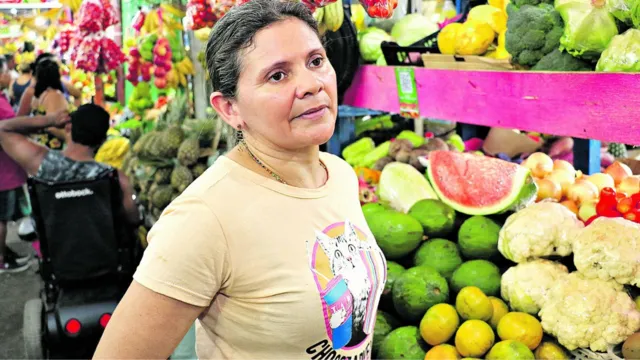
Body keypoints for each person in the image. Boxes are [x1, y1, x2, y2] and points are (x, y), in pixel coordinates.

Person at [94, 1, 387, 359]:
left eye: (315, 61)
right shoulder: (204, 217)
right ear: (229, 109)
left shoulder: (338, 173)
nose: (311, 85)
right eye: (277, 75)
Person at [0, 104, 139, 226]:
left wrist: (50, 120)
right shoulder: (115, 177)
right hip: (105, 252)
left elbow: (3, 129)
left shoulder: (43, 163)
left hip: (58, 253)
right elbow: (133, 219)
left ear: (68, 128)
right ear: (103, 140)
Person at [0, 55, 31, 273]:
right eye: (4, 72)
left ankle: (5, 253)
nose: (8, 75)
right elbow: (13, 125)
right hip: (3, 172)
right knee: (1, 218)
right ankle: (2, 261)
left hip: (7, 169)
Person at [15, 53, 82, 117]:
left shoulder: (59, 86)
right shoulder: (35, 91)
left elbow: (77, 94)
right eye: (58, 68)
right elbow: (20, 117)